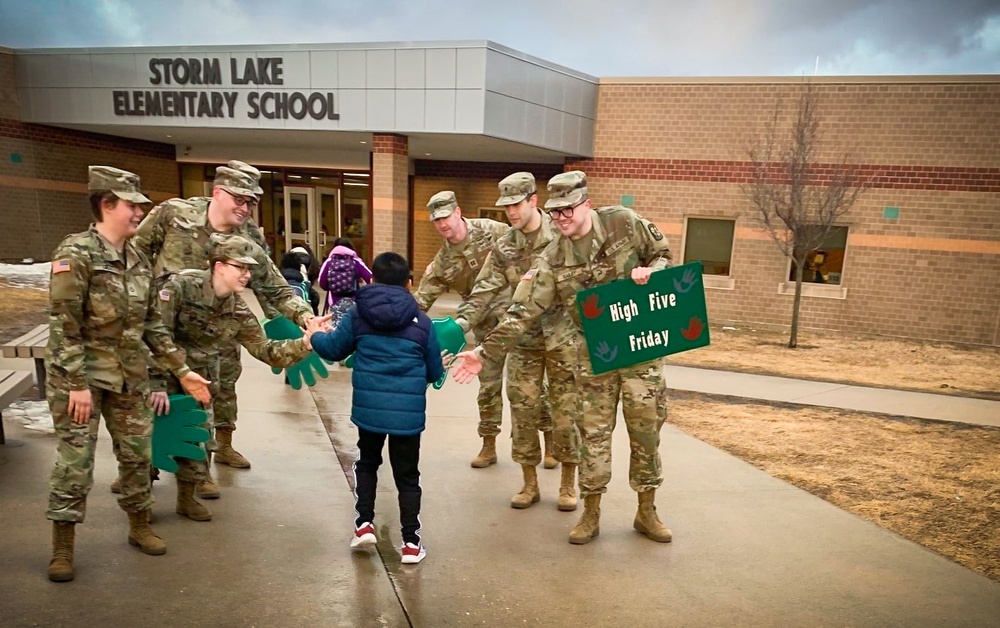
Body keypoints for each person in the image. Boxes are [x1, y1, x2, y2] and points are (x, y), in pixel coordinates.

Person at [452, 171, 674, 545]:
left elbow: (664, 255)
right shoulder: (552, 258)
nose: (561, 218)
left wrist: (652, 273)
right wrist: (484, 351)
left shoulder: (623, 222)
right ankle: (591, 513)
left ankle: (646, 511)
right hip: (593, 355)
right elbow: (522, 311)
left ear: (586, 203)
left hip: (639, 351)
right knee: (593, 437)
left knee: (646, 433)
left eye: (568, 209)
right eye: (555, 213)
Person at [44, 166, 212, 583]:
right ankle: (63, 547)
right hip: (80, 375)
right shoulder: (76, 253)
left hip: (129, 375)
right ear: (106, 204)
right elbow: (63, 325)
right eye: (132, 206)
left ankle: (139, 526)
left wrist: (183, 371)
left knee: (137, 455)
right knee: (75, 462)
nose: (140, 213)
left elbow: (153, 325)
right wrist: (77, 385)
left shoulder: (138, 258)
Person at [134, 161, 314, 495]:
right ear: (217, 192)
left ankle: (208, 460)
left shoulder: (249, 237)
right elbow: (136, 254)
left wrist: (303, 318)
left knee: (216, 390)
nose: (245, 208)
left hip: (216, 328)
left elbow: (272, 287)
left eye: (251, 202)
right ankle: (142, 469)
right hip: (166, 323)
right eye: (239, 199)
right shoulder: (174, 214)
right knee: (155, 395)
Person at [151, 234, 329, 522]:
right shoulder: (180, 287)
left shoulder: (237, 309)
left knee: (197, 441)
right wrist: (156, 384)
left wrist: (307, 343)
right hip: (163, 374)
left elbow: (266, 350)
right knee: (153, 445)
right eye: (241, 268)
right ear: (219, 266)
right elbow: (155, 337)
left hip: (199, 383)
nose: (247, 275)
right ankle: (140, 508)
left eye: (249, 269)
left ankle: (186, 499)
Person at [310, 252, 445, 565]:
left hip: (369, 411)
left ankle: (364, 525)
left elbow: (334, 350)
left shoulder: (359, 315)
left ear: (371, 279)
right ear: (409, 283)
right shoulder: (423, 323)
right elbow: (434, 371)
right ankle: (411, 543)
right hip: (407, 415)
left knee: (368, 463)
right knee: (407, 476)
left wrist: (314, 335)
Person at [457, 172, 579, 510]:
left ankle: (569, 483)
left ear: (533, 201)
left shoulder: (562, 236)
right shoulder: (505, 245)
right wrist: (459, 324)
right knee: (523, 409)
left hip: (562, 338)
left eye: (516, 204)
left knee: (565, 410)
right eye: (506, 206)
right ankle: (529, 484)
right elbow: (483, 288)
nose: (511, 212)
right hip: (522, 338)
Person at [412, 191, 510, 468]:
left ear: (457, 212)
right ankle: (488, 445)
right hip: (483, 326)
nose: (442, 224)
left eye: (445, 217)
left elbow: (527, 249)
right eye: (436, 221)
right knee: (488, 387)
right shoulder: (443, 262)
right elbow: (421, 300)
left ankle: (549, 442)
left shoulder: (493, 230)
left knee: (532, 386)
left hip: (518, 318)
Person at [318, 237, 372, 319]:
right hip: (353, 301)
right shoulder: (356, 261)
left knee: (337, 328)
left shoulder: (328, 262)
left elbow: (322, 283)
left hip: (334, 302)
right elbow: (370, 278)